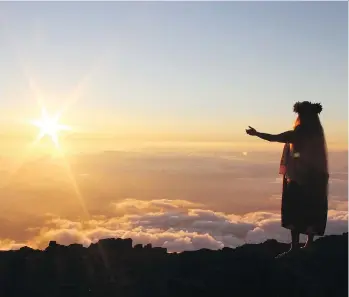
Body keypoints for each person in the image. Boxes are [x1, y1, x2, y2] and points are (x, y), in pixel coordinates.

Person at [246, 101, 329, 258]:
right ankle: (309, 244)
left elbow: (274, 138)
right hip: (316, 181)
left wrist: (256, 134)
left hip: (298, 180)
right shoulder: (317, 135)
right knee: (312, 209)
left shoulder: (297, 134)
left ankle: (295, 246)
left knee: (294, 210)